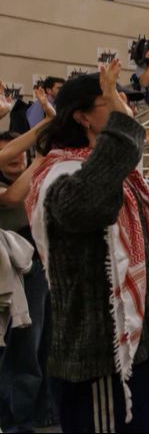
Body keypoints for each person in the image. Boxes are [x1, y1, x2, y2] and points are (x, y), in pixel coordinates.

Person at [25, 61, 149, 433]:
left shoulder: (114, 173)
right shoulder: (60, 178)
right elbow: (89, 204)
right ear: (83, 118)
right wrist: (123, 132)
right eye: (112, 98)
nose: (125, 104)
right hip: (100, 356)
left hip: (136, 347)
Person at [0, 131, 55, 432]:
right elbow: (14, 199)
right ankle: (16, 420)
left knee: (45, 345)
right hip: (15, 276)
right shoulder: (13, 187)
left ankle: (44, 410)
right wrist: (41, 157)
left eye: (18, 149)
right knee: (23, 349)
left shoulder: (37, 178)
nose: (16, 155)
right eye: (8, 151)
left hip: (41, 270)